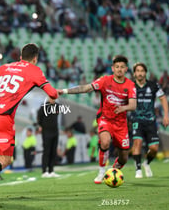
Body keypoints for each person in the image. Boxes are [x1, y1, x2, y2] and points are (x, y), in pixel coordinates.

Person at [0, 43, 58, 195]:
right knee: (5, 159)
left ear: (21, 57)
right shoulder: (34, 70)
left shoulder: (5, 67)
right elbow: (53, 94)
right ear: (35, 59)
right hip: (3, 117)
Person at [57, 55, 136, 184]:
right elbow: (85, 88)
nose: (119, 69)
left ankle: (113, 171)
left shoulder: (130, 85)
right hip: (105, 118)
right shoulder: (105, 80)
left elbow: (133, 105)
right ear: (112, 68)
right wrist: (64, 91)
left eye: (122, 67)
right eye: (117, 67)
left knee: (124, 158)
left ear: (126, 69)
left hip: (121, 124)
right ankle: (101, 171)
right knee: (105, 142)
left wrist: (123, 108)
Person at [131, 62, 169, 178]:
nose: (140, 73)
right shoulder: (130, 86)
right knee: (137, 142)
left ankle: (146, 163)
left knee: (153, 149)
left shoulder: (153, 85)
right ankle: (138, 169)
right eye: (137, 71)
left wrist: (166, 115)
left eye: (142, 71)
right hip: (136, 120)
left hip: (151, 121)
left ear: (145, 73)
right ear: (134, 73)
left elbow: (163, 98)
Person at [37, 100, 61, 177]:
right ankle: (44, 171)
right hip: (46, 131)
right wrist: (40, 126)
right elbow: (39, 117)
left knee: (53, 151)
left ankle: (51, 171)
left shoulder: (57, 106)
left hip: (55, 131)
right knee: (46, 151)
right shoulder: (43, 106)